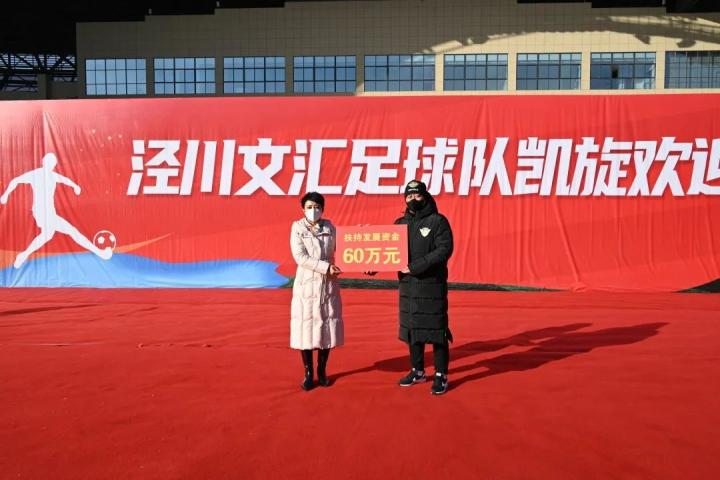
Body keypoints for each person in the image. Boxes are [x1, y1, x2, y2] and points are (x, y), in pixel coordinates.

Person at [0, 152, 112, 268]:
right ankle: (100, 253)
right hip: (41, 212)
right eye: (48, 162)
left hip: (49, 212)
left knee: (47, 235)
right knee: (72, 231)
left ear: (54, 165)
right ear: (43, 162)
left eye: (52, 163)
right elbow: (15, 180)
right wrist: (5, 195)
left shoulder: (53, 176)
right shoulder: (35, 174)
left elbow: (65, 180)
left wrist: (75, 187)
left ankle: (23, 255)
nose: (50, 165)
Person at [394, 180, 454, 395]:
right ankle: (417, 370)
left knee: (436, 331)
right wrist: (369, 260)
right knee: (413, 329)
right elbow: (387, 252)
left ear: (425, 196)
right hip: (408, 288)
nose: (413, 199)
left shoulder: (438, 221)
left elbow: (444, 249)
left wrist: (415, 267)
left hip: (431, 286)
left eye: (417, 195)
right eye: (409, 196)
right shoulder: (399, 224)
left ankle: (441, 374)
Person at [289, 191, 343, 391]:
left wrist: (361, 239)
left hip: (328, 285)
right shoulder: (297, 228)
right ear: (303, 209)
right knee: (306, 328)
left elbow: (344, 248)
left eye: (317, 207)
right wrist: (325, 267)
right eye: (309, 207)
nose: (314, 210)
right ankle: (308, 373)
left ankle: (322, 370)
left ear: (323, 209)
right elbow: (300, 257)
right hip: (307, 284)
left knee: (327, 327)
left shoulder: (330, 227)